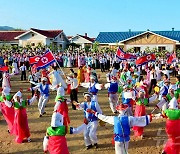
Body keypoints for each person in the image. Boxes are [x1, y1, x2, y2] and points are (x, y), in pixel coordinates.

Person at [86, 104, 152, 154]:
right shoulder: (130, 119)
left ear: (118, 110)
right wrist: (150, 117)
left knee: (118, 152)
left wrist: (94, 112)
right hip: (126, 139)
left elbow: (104, 118)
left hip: (118, 139)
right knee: (125, 151)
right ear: (125, 109)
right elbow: (140, 119)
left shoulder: (114, 119)